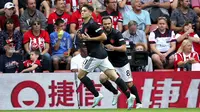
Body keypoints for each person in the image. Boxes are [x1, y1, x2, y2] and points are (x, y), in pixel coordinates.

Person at [77, 4, 135, 109]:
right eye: (81, 11)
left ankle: (97, 95)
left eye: (85, 11)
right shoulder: (85, 25)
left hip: (95, 55)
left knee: (81, 75)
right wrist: (81, 37)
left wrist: (89, 39)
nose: (82, 12)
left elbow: (103, 36)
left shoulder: (92, 24)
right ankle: (129, 95)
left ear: (90, 13)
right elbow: (85, 37)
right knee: (114, 77)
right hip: (102, 55)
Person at [99, 16, 142, 108]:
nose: (107, 25)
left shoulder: (117, 33)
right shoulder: (101, 34)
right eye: (105, 24)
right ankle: (115, 92)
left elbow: (124, 48)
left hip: (122, 62)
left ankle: (138, 102)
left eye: (108, 23)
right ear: (102, 25)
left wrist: (113, 48)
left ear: (111, 24)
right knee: (102, 78)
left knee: (129, 84)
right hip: (110, 63)